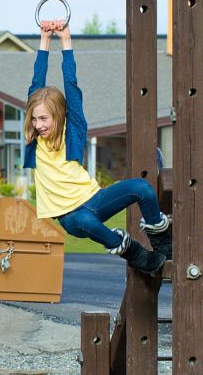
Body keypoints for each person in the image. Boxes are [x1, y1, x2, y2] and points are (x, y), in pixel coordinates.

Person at [24, 20, 171, 275]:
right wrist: (45, 41)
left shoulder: (74, 131)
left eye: (44, 119)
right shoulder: (33, 143)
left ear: (58, 116)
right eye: (35, 119)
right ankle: (136, 254)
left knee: (141, 188)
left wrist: (66, 41)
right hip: (71, 217)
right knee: (83, 220)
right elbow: (37, 83)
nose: (38, 124)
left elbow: (72, 87)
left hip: (95, 199)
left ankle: (164, 244)